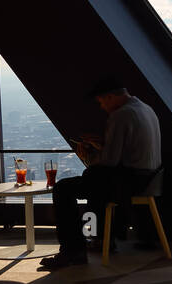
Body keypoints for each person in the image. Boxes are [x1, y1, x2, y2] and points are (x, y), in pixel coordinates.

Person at [39, 76, 161, 271]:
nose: (102, 107)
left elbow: (109, 162)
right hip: (147, 179)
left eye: (102, 101)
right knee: (92, 187)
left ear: (111, 97)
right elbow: (129, 150)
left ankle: (73, 250)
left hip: (126, 182)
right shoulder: (145, 109)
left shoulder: (120, 115)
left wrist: (89, 155)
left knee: (63, 188)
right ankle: (99, 238)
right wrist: (103, 145)